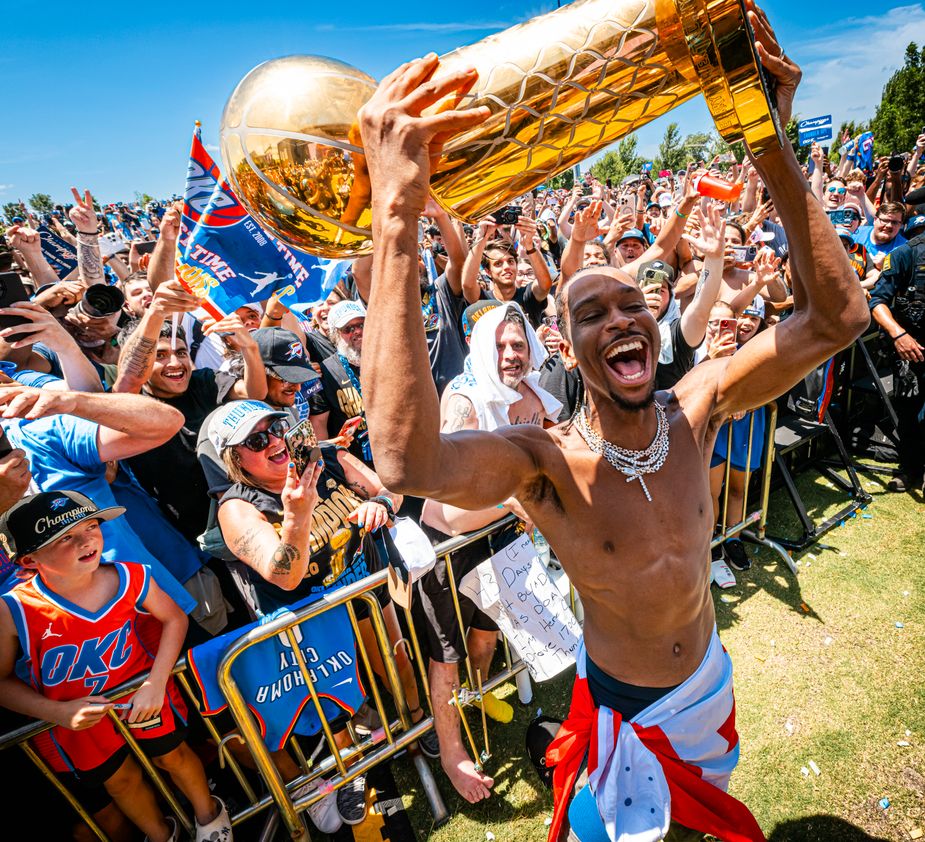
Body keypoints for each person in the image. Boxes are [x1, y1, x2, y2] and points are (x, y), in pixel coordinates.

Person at [356, 8, 869, 839]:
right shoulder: (544, 462)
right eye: (592, 311)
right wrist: (397, 215)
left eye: (633, 302)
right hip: (626, 713)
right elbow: (403, 459)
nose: (620, 317)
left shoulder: (696, 407)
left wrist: (764, 135)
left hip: (706, 683)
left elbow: (835, 319)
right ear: (566, 343)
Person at [210, 401, 433, 823]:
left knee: (397, 662)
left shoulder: (324, 456)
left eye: (275, 428)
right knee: (338, 701)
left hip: (365, 590)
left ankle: (420, 726)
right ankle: (353, 769)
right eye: (257, 441)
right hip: (312, 622)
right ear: (236, 459)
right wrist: (296, 513)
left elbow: (391, 490)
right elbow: (285, 576)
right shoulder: (235, 508)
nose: (275, 441)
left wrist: (381, 506)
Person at [0, 491, 232, 842]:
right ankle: (160, 835)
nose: (86, 539)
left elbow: (173, 620)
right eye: (65, 538)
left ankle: (210, 817)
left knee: (173, 757)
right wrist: (57, 712)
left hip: (144, 696)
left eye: (91, 525)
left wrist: (155, 683)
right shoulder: (13, 610)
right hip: (77, 719)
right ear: (30, 560)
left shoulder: (130, 575)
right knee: (120, 782)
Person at [420, 301, 561, 802]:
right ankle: (453, 751)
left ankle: (476, 699)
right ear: (480, 348)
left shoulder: (528, 397)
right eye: (499, 345)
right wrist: (521, 494)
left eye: (518, 345)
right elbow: (452, 507)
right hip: (448, 547)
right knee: (448, 655)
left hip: (499, 533)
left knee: (487, 635)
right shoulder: (464, 400)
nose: (510, 355)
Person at [868, 236, 925, 493]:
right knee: (908, 413)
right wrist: (898, 334)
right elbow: (877, 302)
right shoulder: (906, 254)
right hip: (911, 348)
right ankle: (911, 470)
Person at [308, 300, 374, 467]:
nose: (357, 331)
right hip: (357, 464)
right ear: (335, 334)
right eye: (348, 329)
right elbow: (319, 424)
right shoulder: (327, 372)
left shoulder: (389, 358)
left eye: (361, 324)